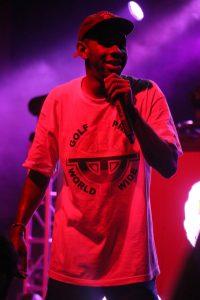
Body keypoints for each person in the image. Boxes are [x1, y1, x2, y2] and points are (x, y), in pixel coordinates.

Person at [10, 10, 182, 300]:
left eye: (121, 44)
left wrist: (130, 110)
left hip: (131, 263)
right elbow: (39, 171)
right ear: (82, 50)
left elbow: (168, 165)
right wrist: (18, 227)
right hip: (72, 263)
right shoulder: (60, 100)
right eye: (105, 42)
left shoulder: (147, 94)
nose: (116, 50)